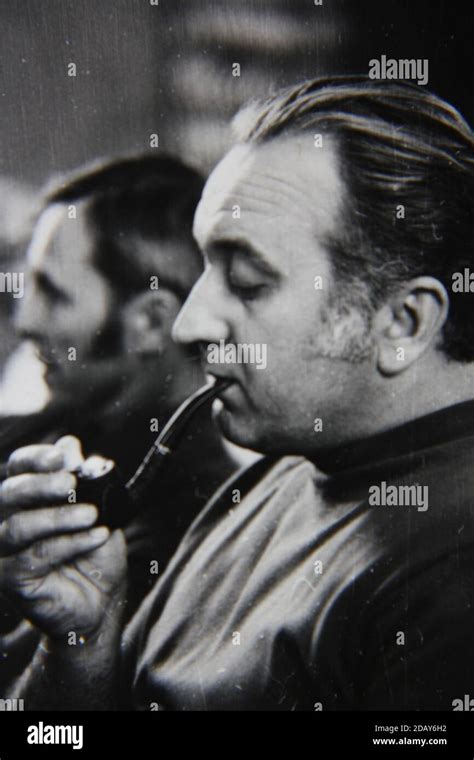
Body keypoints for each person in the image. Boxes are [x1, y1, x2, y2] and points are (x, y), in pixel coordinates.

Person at [1, 76, 473, 710]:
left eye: (248, 282)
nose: (188, 324)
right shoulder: (284, 467)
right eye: (205, 269)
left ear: (403, 322)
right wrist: (82, 642)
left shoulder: (450, 579)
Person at [0, 154, 239, 686]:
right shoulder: (42, 431)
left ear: (152, 324)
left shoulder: (199, 528)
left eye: (54, 293)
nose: (25, 320)